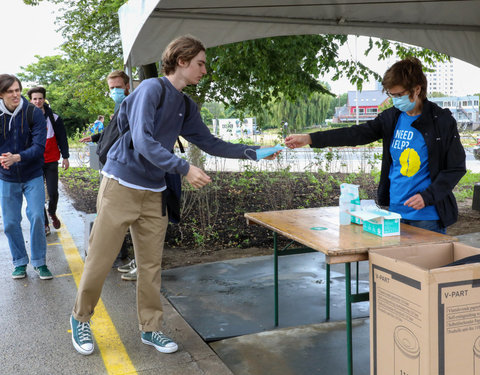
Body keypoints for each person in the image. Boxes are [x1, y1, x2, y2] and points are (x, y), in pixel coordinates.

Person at [70, 34, 279, 356]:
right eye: (200, 63)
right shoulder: (151, 89)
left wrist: (255, 152)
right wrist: (183, 168)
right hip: (121, 185)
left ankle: (151, 329)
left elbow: (211, 143)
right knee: (100, 258)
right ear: (181, 61)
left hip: (154, 191)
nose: (204, 70)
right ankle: (80, 318)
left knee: (151, 265)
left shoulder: (185, 104)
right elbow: (142, 139)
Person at [285, 57, 466, 234]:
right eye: (391, 95)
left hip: (427, 217)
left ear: (417, 89)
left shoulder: (441, 121)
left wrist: (428, 197)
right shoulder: (391, 118)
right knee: (391, 264)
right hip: (394, 213)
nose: (394, 100)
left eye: (399, 95)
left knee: (423, 264)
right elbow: (355, 134)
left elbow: (455, 168)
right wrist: (310, 138)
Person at [79, 70, 135, 280]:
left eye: (118, 87)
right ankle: (129, 257)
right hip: (112, 167)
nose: (114, 91)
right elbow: (113, 131)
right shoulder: (119, 106)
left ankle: (128, 260)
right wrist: (95, 137)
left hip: (124, 170)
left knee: (119, 215)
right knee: (115, 215)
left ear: (127, 86)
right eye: (111, 88)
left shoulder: (133, 105)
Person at [0, 74, 52, 280]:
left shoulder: (33, 113)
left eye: (17, 90)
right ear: (1, 94)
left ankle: (40, 262)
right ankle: (20, 262)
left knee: (37, 216)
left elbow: (40, 147)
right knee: (11, 223)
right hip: (7, 176)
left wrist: (17, 157)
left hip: (32, 174)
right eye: (10, 91)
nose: (16, 94)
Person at [27, 87, 70, 235]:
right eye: (34, 99)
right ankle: (45, 224)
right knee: (37, 195)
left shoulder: (54, 118)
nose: (38, 101)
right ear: (30, 100)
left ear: (44, 99)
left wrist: (65, 157)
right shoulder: (26, 118)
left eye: (40, 98)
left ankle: (52, 212)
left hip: (51, 159)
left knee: (53, 193)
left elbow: (62, 138)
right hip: (34, 161)